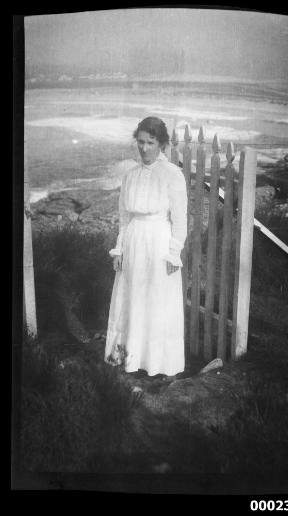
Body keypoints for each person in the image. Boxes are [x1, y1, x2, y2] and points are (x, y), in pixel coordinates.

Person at [105, 117, 188, 378]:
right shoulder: (129, 174)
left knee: (157, 300)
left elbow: (180, 219)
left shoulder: (172, 174)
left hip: (158, 241)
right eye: (140, 142)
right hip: (133, 240)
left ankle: (158, 363)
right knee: (131, 298)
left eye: (150, 142)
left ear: (162, 144)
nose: (144, 148)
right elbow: (124, 217)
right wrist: (119, 250)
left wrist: (174, 252)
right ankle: (129, 358)